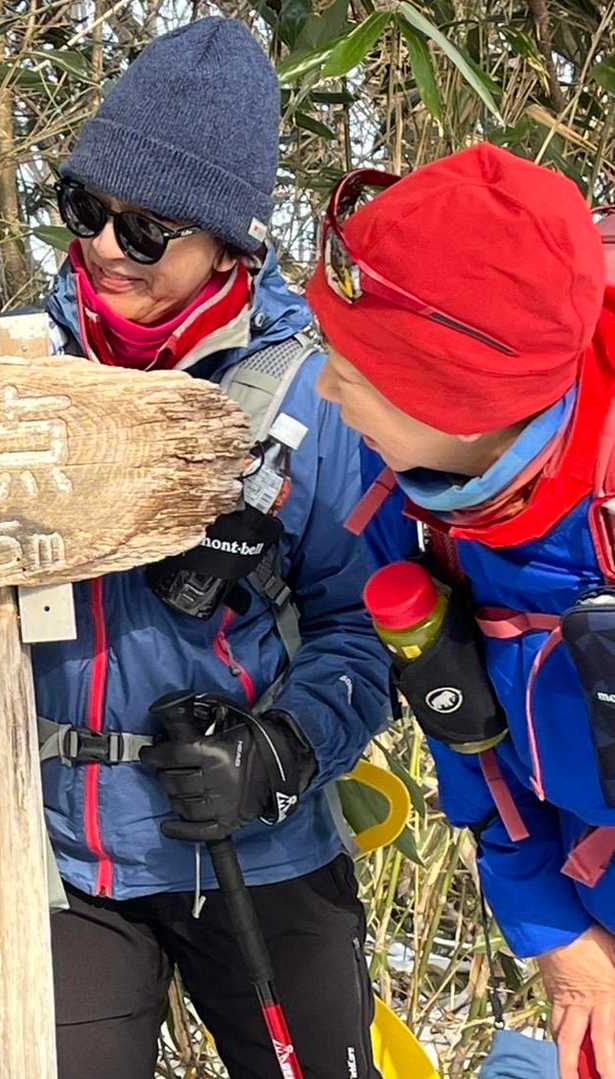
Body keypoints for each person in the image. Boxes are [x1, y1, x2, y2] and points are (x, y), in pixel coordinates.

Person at [31, 17, 390, 1079]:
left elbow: (365, 625)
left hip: (258, 846)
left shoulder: (313, 397)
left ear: (229, 245)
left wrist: (282, 750)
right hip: (66, 864)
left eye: (147, 230)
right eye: (85, 210)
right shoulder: (16, 376)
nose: (104, 246)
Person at [309, 142, 615, 1079]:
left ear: (463, 400)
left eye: (355, 369)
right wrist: (552, 928)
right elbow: (456, 709)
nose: (324, 388)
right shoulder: (402, 493)